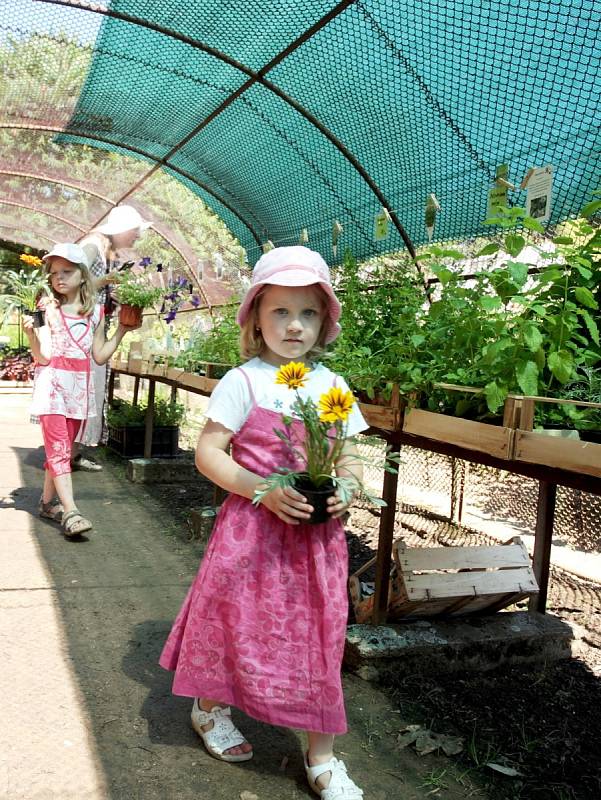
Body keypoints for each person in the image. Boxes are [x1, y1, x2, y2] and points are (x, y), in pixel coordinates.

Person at [159, 246, 366, 799]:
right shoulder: (242, 382)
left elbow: (347, 454)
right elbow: (209, 453)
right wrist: (262, 490)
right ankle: (209, 707)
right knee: (235, 623)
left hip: (314, 542)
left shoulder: (332, 387)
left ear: (325, 321)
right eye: (280, 311)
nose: (294, 325)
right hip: (251, 535)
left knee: (321, 637)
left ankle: (321, 755)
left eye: (308, 313)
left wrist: (346, 486)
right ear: (255, 316)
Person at [23, 243, 140, 537]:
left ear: (82, 275)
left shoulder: (95, 313)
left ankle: (47, 504)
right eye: (54, 273)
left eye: (67, 271)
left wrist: (123, 331)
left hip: (78, 391)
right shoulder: (48, 309)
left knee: (59, 452)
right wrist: (30, 334)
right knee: (60, 451)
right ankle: (71, 512)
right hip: (52, 388)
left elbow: (99, 355)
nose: (58, 278)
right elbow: (44, 356)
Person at [72, 204, 152, 471]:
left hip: (91, 326)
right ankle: (66, 455)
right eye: (135, 231)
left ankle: (73, 453)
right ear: (122, 229)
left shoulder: (105, 249)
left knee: (90, 390)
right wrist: (106, 281)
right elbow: (72, 282)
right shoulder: (93, 244)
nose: (137, 237)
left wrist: (110, 293)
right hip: (81, 331)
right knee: (82, 390)